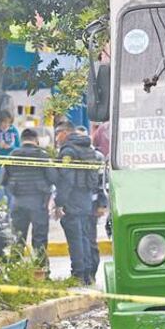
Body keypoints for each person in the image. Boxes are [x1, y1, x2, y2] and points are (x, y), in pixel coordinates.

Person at [55, 120, 107, 285]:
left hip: (73, 199)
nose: (56, 138)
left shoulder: (68, 151)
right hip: (86, 200)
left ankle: (78, 275)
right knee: (85, 238)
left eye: (58, 133)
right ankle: (86, 274)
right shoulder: (87, 149)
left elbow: (66, 179)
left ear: (65, 133)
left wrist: (59, 202)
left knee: (75, 239)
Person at [2, 128, 55, 261]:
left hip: (18, 203)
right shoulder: (42, 156)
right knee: (40, 240)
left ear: (21, 140)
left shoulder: (12, 154)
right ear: (36, 140)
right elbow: (54, 178)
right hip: (39, 204)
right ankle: (41, 272)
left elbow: (3, 180)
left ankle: (14, 271)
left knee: (17, 239)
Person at [0, 110, 20, 205]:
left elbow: (18, 147)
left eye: (8, 122)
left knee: (10, 188)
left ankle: (9, 214)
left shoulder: (14, 130)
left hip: (10, 163)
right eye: (4, 121)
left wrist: (10, 147)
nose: (6, 124)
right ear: (0, 121)